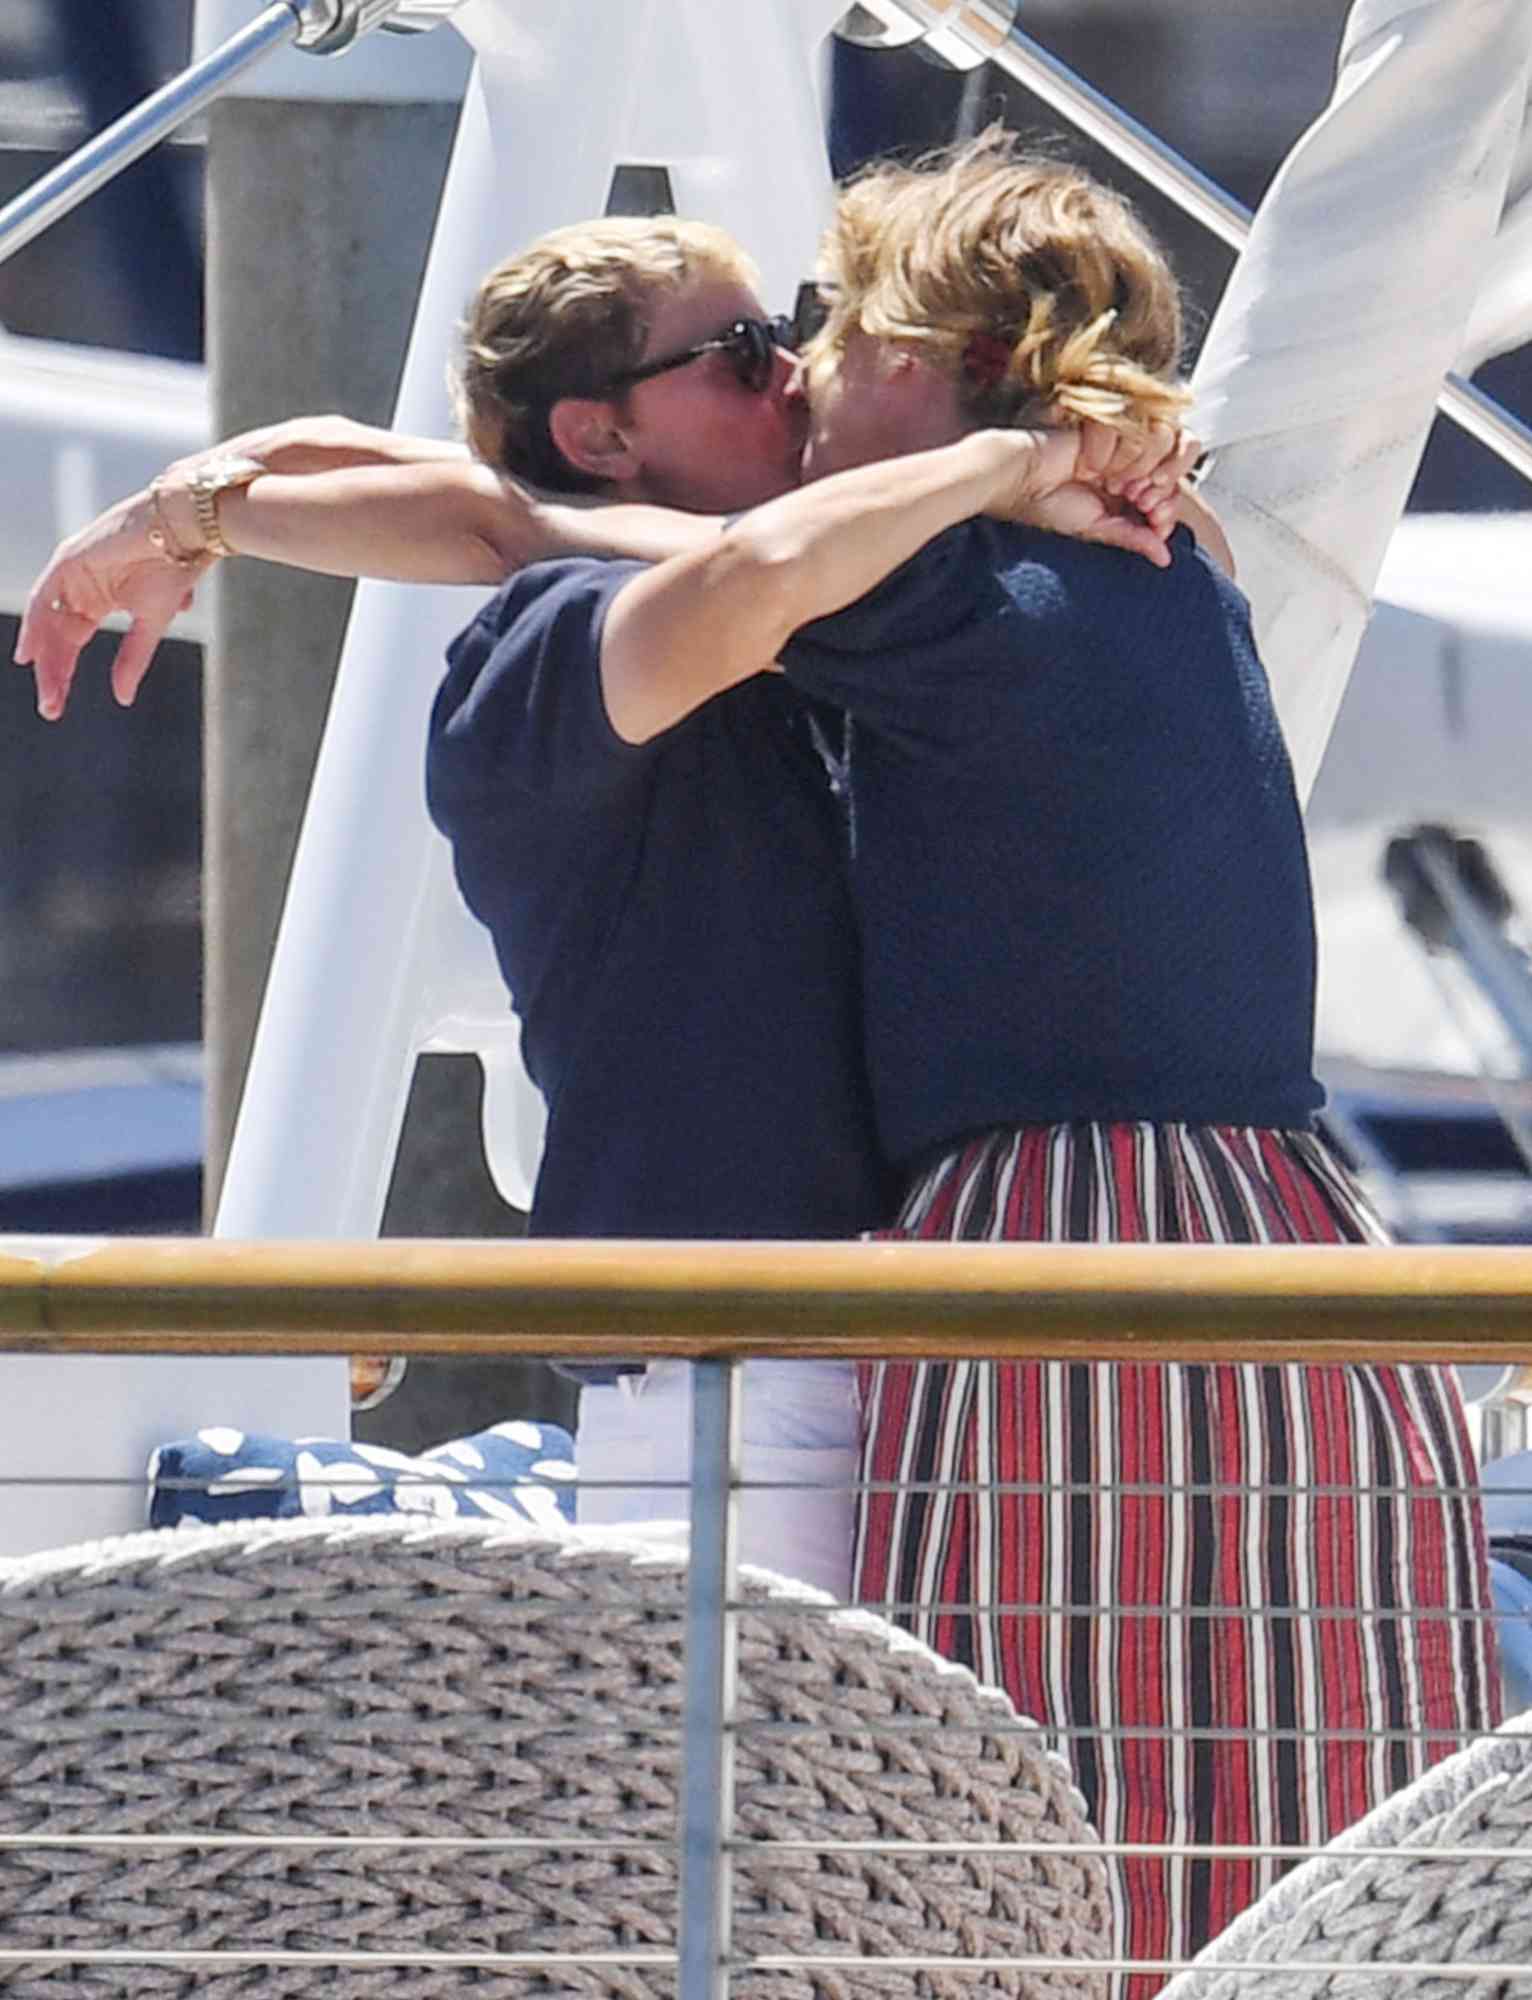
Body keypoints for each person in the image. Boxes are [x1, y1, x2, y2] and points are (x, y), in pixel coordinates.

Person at [538, 135, 1498, 1994]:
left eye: (833, 326)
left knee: (1033, 1800)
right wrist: (1049, 452)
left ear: (934, 358)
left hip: (1062, 1240)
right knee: (1313, 1793)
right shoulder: (1184, 557)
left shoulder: (932, 592)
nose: (802, 371)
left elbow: (529, 531)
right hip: (1293, 1235)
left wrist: (214, 507)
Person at [16, 210, 1187, 1600]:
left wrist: (209, 493)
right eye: (746, 354)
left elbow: (455, 480)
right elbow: (495, 513)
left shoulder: (830, 600)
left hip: (909, 1352)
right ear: (603, 439)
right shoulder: (557, 641)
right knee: (754, 1805)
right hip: (729, 1372)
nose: (801, 367)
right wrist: (195, 510)